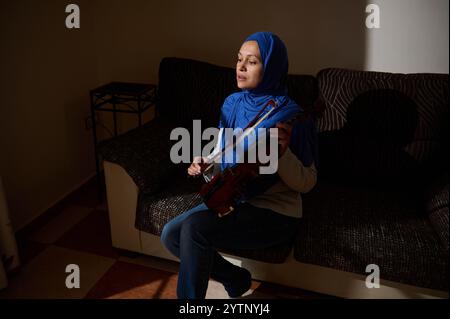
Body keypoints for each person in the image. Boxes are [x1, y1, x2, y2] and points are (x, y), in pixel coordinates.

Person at [161, 31, 318, 299]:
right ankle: (236, 278)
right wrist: (206, 163)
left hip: (275, 212)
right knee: (170, 234)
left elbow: (307, 182)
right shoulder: (232, 104)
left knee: (194, 228)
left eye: (252, 61)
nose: (241, 67)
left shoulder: (292, 116)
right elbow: (224, 153)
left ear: (271, 67)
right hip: (231, 197)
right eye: (239, 59)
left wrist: (281, 155)